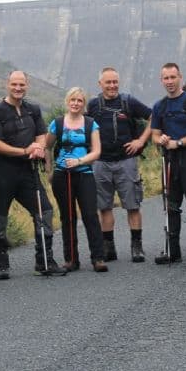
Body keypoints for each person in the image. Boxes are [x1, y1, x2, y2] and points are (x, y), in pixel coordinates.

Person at [0, 70, 66, 278]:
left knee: (45, 211)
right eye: (14, 84)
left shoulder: (33, 109)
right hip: (3, 171)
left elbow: (41, 135)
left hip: (28, 171)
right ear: (8, 84)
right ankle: (1, 263)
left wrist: (39, 148)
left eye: (22, 84)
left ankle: (45, 260)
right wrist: (24, 151)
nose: (18, 88)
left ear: (27, 85)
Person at [87, 67, 152, 263]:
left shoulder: (128, 102)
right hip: (100, 162)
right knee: (104, 206)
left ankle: (137, 247)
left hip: (126, 161)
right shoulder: (92, 105)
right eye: (108, 82)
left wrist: (140, 141)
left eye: (115, 81)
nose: (112, 85)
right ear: (100, 84)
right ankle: (109, 248)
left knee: (133, 205)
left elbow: (153, 116)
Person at [150, 63, 186, 265]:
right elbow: (155, 136)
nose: (170, 82)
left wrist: (180, 142)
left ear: (180, 77)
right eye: (166, 78)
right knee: (171, 206)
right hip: (170, 161)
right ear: (161, 80)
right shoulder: (160, 106)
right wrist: (163, 141)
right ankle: (172, 250)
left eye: (173, 77)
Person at [46, 87, 108, 273]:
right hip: (61, 175)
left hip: (84, 173)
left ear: (84, 104)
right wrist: (49, 169)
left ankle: (98, 258)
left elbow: (97, 152)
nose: (75, 103)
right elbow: (47, 147)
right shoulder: (56, 123)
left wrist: (79, 161)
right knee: (68, 216)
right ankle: (71, 259)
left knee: (90, 214)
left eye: (79, 100)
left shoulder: (91, 124)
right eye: (73, 100)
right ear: (67, 101)